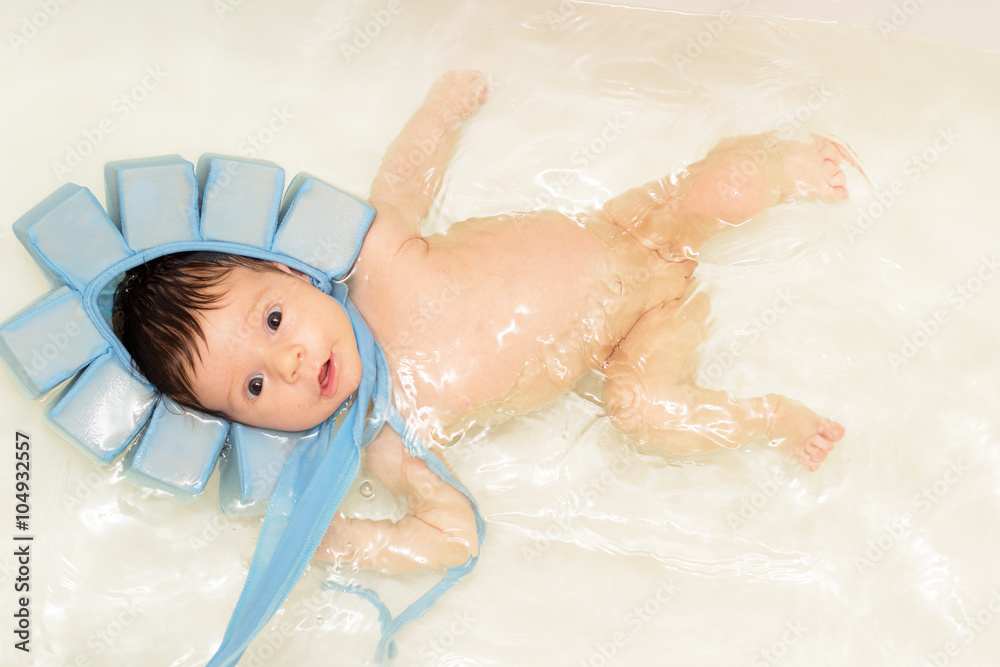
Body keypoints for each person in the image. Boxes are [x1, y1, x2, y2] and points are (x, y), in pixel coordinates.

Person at [114, 70, 852, 574]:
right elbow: (453, 537)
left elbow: (404, 177)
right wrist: (341, 541)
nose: (290, 363)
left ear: (292, 272)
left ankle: (779, 162)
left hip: (629, 227)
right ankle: (771, 417)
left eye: (273, 319)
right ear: (251, 425)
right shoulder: (389, 441)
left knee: (720, 191)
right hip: (636, 331)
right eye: (250, 384)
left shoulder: (377, 258)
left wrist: (442, 112)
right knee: (639, 408)